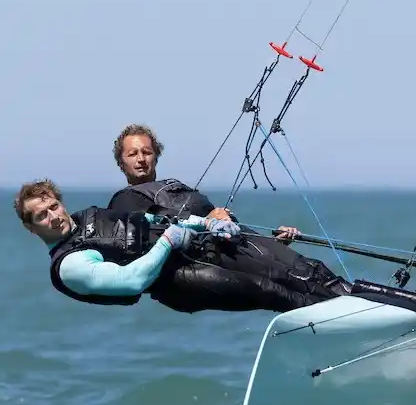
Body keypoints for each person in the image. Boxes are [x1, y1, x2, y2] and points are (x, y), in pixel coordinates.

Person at [16, 179, 353, 313]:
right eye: (41, 216)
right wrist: (169, 241)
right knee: (267, 289)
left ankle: (359, 299)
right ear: (31, 229)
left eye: (52, 207)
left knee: (294, 271)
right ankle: (341, 316)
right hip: (177, 281)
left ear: (59, 202)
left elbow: (146, 221)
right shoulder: (69, 264)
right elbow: (133, 281)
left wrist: (204, 223)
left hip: (189, 248)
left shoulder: (90, 215)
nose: (53, 216)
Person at [105, 122, 299, 244]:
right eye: (132, 154)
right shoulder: (124, 200)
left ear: (156, 156)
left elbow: (231, 233)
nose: (141, 159)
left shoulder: (174, 187)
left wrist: (274, 241)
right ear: (121, 163)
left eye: (147, 152)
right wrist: (208, 222)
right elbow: (158, 217)